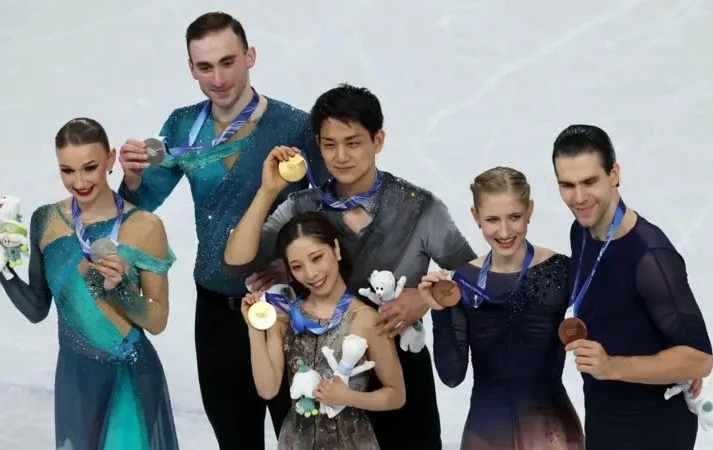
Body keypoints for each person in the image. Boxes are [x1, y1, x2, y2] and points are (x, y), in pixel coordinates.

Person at [116, 12, 329, 449]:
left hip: (291, 311)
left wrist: (293, 268)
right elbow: (140, 207)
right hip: (216, 313)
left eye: (228, 62)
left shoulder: (294, 125)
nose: (218, 79)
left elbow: (333, 211)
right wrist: (133, 178)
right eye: (205, 67)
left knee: (304, 440)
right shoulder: (182, 126)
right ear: (191, 69)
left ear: (250, 56)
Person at [223, 83, 477, 449]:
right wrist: (267, 192)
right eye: (329, 144)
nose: (341, 156)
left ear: (378, 140)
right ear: (318, 144)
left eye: (353, 142)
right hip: (316, 378)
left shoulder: (420, 207)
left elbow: (471, 276)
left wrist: (424, 298)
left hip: (397, 374)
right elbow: (236, 263)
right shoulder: (301, 207)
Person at [0, 118, 179, 449]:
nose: (80, 182)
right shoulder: (46, 220)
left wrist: (120, 291)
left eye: (90, 168)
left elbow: (158, 321)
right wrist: (2, 268)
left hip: (128, 375)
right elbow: (36, 308)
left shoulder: (145, 226)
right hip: (74, 378)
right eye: (67, 171)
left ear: (110, 159)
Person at [551, 124, 713, 450]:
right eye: (567, 185)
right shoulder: (580, 231)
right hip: (604, 415)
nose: (579, 198)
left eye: (589, 182)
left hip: (654, 429)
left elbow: (699, 359)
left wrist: (612, 366)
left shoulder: (651, 257)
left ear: (614, 174)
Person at [417, 167, 585, 450]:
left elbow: (609, 327)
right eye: (492, 220)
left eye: (514, 217)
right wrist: (440, 310)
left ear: (530, 210)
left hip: (551, 431)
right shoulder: (462, 281)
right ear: (475, 216)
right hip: (487, 432)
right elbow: (452, 376)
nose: (504, 231)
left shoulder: (562, 271)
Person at [240, 211, 406, 449]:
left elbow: (396, 395)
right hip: (295, 442)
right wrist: (255, 329)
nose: (311, 273)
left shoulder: (366, 319)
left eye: (317, 258)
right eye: (297, 267)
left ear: (336, 249)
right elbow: (268, 390)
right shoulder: (287, 316)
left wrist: (349, 397)